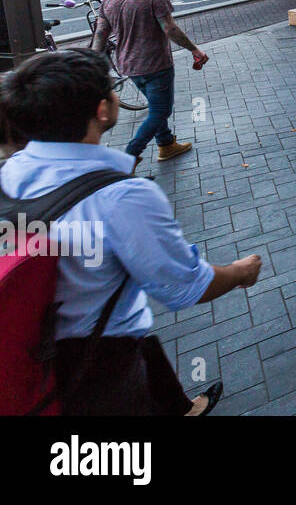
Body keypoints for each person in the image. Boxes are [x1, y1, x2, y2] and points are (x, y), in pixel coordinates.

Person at [0, 49, 260, 415]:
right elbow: (185, 287)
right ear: (102, 110)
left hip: (26, 360)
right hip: (99, 369)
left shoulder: (7, 177)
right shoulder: (121, 197)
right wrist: (240, 272)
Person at [91, 0, 208, 172]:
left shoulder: (109, 0)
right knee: (161, 110)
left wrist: (91, 65)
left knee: (155, 106)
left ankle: (166, 144)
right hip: (155, 64)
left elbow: (100, 36)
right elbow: (170, 29)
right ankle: (130, 155)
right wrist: (194, 49)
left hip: (128, 64)